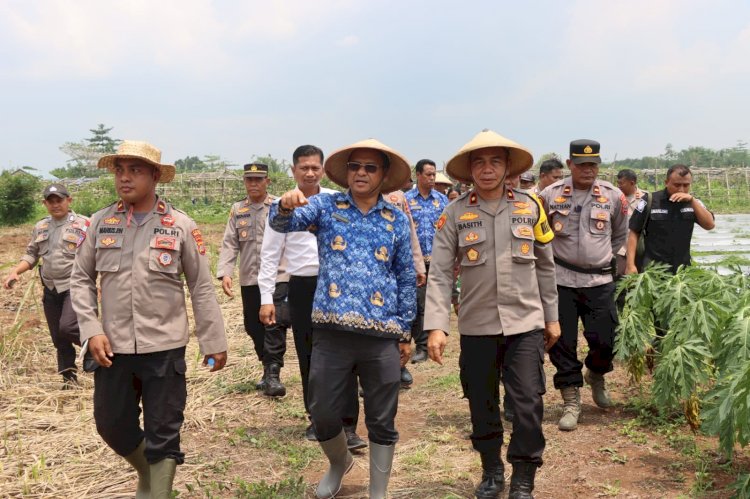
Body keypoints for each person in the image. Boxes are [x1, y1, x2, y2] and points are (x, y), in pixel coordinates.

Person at [70, 140, 227, 498]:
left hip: (165, 349)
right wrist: (91, 329)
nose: (125, 179)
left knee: (164, 433)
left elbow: (201, 287)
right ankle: (148, 474)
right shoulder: (99, 223)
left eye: (135, 170)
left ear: (156, 176)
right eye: (120, 171)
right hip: (113, 349)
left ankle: (158, 489)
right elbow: (80, 278)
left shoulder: (181, 226)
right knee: (112, 425)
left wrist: (214, 341)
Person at [269, 138, 416, 499]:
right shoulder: (325, 205)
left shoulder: (395, 218)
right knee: (321, 409)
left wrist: (406, 331)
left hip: (381, 333)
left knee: (382, 415)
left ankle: (377, 490)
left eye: (370, 168)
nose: (361, 173)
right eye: (354, 167)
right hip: (332, 330)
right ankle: (338, 463)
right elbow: (282, 222)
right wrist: (284, 205)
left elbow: (406, 276)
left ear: (383, 175)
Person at [425, 129, 559, 499]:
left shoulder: (530, 207)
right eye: (479, 162)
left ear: (507, 168)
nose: (487, 169)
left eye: (495, 161)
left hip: (526, 323)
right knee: (482, 403)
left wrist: (552, 317)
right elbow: (438, 272)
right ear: (469, 170)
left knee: (529, 403)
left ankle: (523, 478)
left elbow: (546, 267)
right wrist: (436, 326)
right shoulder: (454, 212)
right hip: (477, 325)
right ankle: (491, 470)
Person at [258, 145, 365, 449]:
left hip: (338, 285)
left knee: (346, 353)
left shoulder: (335, 200)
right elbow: (269, 255)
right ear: (293, 170)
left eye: (315, 167)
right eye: (303, 167)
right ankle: (317, 420)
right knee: (310, 355)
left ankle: (349, 425)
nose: (309, 172)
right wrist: (267, 297)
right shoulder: (281, 206)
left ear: (323, 170)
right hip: (303, 286)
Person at [538, 139, 628, 432]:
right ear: (569, 165)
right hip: (560, 280)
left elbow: (619, 236)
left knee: (606, 339)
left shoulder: (613, 196)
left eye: (593, 164)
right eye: (582, 164)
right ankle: (571, 398)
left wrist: (614, 265)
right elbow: (540, 236)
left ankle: (596, 373)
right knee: (561, 343)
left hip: (599, 280)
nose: (588, 170)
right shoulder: (549, 196)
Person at [3, 183, 88, 388]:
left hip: (74, 286)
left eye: (60, 200)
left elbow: (97, 256)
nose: (55, 205)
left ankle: (94, 346)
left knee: (67, 327)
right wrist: (16, 270)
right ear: (44, 204)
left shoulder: (84, 224)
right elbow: (32, 253)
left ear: (69, 200)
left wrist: (99, 281)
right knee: (59, 337)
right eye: (51, 202)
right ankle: (69, 380)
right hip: (50, 288)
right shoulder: (40, 227)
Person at [216, 162, 289, 398]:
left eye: (259, 179)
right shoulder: (238, 210)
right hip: (250, 278)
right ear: (245, 182)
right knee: (252, 324)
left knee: (273, 324)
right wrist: (226, 272)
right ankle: (267, 366)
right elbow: (230, 243)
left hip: (279, 276)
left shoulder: (279, 207)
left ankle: (273, 373)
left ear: (267, 181)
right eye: (249, 179)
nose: (254, 184)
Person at [626, 164, 715, 275]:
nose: (681, 189)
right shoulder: (650, 200)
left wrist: (692, 201)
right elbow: (634, 232)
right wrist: (630, 265)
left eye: (686, 185)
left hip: (682, 270)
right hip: (653, 270)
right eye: (677, 185)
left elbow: (709, 225)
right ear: (666, 182)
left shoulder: (693, 203)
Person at [405, 159, 448, 369]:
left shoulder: (442, 201)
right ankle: (421, 345)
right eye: (429, 175)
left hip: (437, 261)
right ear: (418, 175)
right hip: (414, 263)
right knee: (416, 304)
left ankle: (432, 340)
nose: (432, 178)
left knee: (433, 303)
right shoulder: (405, 200)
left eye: (434, 175)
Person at [615, 169, 645, 276]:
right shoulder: (615, 198)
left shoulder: (645, 199)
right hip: (621, 249)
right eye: (617, 183)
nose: (618, 186)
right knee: (619, 280)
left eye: (621, 183)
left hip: (639, 250)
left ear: (632, 183)